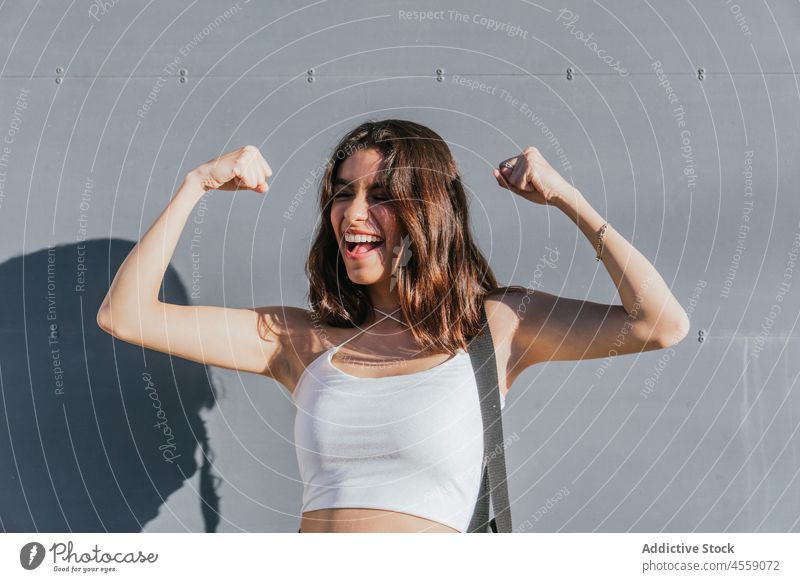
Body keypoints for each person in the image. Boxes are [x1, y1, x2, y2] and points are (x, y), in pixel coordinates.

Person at [97, 119, 690, 533]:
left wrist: (567, 197)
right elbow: (124, 315)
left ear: (427, 210)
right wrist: (196, 184)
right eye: (341, 194)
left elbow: (659, 324)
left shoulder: (497, 328)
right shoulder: (299, 341)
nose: (352, 212)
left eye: (379, 195)